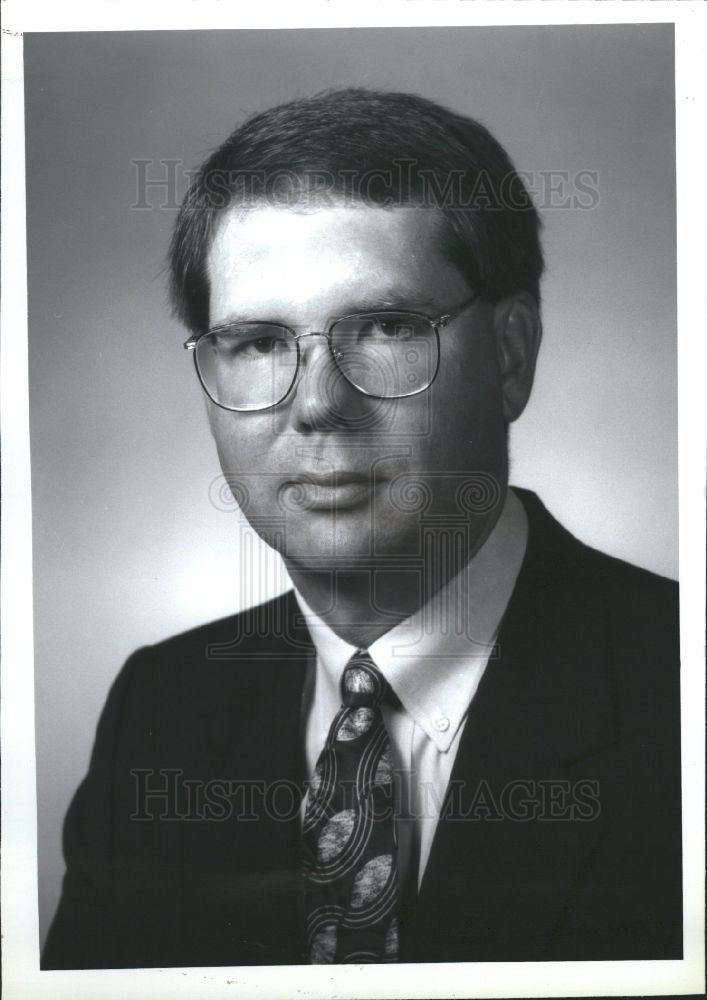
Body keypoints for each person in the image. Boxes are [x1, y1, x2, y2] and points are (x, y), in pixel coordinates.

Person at [42, 88, 681, 968]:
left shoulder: (679, 693)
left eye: (384, 326)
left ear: (509, 355)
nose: (316, 406)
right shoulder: (160, 713)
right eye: (260, 342)